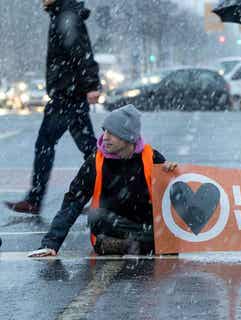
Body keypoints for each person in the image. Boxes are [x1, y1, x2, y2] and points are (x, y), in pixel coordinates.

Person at [28, 105, 178, 257]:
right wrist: (51, 244)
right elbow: (73, 201)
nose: (105, 137)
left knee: (161, 230)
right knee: (96, 216)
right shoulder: (95, 161)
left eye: (112, 133)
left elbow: (173, 199)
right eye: (104, 131)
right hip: (113, 225)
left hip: (145, 225)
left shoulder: (151, 157)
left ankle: (130, 245)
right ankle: (142, 246)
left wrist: (171, 175)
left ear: (129, 137)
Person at [5, 0, 101, 214]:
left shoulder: (66, 17)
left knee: (47, 144)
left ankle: (35, 199)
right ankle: (107, 193)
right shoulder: (61, 15)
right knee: (89, 149)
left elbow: (82, 52)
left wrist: (92, 84)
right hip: (67, 94)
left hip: (67, 95)